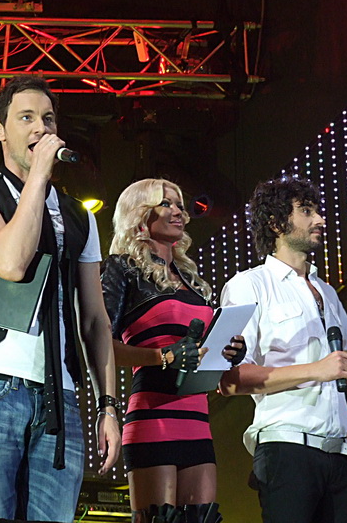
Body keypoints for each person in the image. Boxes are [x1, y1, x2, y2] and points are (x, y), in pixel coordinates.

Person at [0, 75, 120, 522]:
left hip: (60, 393)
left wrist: (108, 406)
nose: (41, 127)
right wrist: (38, 176)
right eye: (26, 118)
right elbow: (10, 261)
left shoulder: (79, 215)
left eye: (48, 119)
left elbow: (94, 320)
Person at [218, 175, 347, 523]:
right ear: (276, 224)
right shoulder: (249, 285)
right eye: (306, 211)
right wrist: (317, 370)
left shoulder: (327, 292)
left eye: (317, 210)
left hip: (337, 454)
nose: (320, 219)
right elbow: (230, 379)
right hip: (286, 449)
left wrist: (345, 367)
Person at [100, 178, 246, 523]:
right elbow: (99, 346)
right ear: (140, 213)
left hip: (197, 419)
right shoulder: (122, 269)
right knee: (159, 519)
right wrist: (161, 356)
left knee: (202, 518)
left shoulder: (192, 281)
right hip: (154, 416)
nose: (178, 211)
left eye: (180, 204)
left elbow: (199, 351)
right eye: (165, 203)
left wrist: (228, 351)